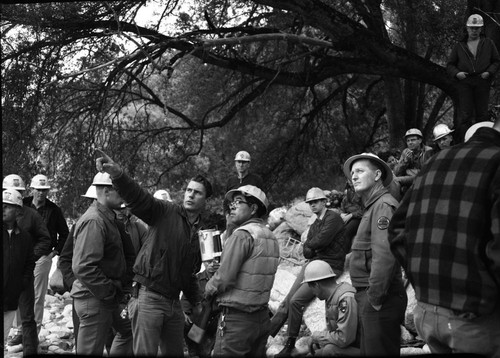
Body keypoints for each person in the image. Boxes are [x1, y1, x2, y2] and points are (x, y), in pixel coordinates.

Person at [388, 118, 500, 357]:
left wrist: (422, 279)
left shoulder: (434, 161)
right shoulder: (495, 162)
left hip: (428, 313)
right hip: (476, 319)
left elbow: (396, 228)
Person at [96, 149, 212, 357]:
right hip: (149, 296)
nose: (191, 195)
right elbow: (140, 198)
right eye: (188, 190)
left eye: (197, 192)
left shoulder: (198, 234)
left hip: (173, 302)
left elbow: (189, 274)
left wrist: (196, 302)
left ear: (205, 201)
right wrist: (118, 175)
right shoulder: (167, 211)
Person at [343, 153, 407, 356]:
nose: (354, 176)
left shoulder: (382, 206)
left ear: (378, 174)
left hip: (380, 298)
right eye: (352, 173)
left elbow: (384, 257)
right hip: (372, 297)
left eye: (360, 171)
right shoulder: (372, 207)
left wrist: (374, 299)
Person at [274, 187, 350, 357]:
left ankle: (290, 344)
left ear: (324, 201)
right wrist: (312, 246)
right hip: (315, 263)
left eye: (316, 202)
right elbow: (307, 250)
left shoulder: (333, 218)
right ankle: (269, 333)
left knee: (295, 301)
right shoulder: (316, 222)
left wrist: (311, 245)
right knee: (288, 300)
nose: (313, 205)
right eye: (310, 203)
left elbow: (319, 241)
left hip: (330, 266)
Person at [204, 185, 279, 356]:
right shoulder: (270, 236)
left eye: (239, 202)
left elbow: (224, 279)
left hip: (237, 321)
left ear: (253, 209)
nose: (232, 206)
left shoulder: (242, 235)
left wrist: (207, 289)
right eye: (232, 202)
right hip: (261, 318)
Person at [70, 172, 133, 356]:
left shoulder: (106, 217)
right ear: (106, 191)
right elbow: (83, 267)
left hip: (104, 296)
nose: (123, 195)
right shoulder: (95, 220)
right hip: (94, 298)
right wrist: (110, 291)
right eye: (119, 191)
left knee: (129, 330)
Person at [3, 174, 51, 355]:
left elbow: (45, 240)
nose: (15, 193)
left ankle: (30, 350)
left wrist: (29, 257)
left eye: (19, 191)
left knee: (27, 317)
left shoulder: (32, 215)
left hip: (22, 276)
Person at [23, 174, 69, 334]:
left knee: (36, 295)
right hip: (21, 255)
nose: (41, 193)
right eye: (38, 190)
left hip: (42, 257)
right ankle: (19, 331)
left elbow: (65, 234)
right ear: (32, 189)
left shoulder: (54, 210)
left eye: (44, 190)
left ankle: (32, 333)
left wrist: (54, 253)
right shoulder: (22, 204)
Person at [447, 14, 500, 135]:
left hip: (482, 80)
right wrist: (457, 73)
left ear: (481, 29)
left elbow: (496, 61)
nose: (474, 30)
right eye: (472, 28)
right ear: (467, 28)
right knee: (465, 115)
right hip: (465, 82)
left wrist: (489, 72)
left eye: (477, 28)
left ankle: (482, 141)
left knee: (482, 114)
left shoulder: (488, 43)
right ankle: (466, 141)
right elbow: (450, 65)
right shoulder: (459, 45)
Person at [58, 185, 97, 350]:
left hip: (109, 296)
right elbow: (65, 258)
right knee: (82, 340)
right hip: (82, 293)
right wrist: (72, 282)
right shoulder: (79, 225)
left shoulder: (119, 227)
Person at [301, 260, 360, 357]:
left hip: (362, 348)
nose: (312, 292)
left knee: (329, 350)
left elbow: (343, 339)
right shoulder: (332, 298)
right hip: (350, 346)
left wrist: (317, 336)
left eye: (311, 288)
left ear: (316, 285)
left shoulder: (345, 299)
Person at [3, 189, 35, 343]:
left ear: (17, 210)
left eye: (8, 206)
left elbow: (30, 262)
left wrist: (21, 283)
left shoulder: (25, 237)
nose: (3, 209)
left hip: (10, 299)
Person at [393, 128, 433, 196]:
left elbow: (427, 171)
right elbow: (396, 172)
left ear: (420, 140)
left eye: (413, 140)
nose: (410, 143)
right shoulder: (406, 152)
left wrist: (409, 171)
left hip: (423, 178)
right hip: (410, 179)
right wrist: (405, 162)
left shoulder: (428, 151)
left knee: (396, 180)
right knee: (394, 180)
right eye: (408, 141)